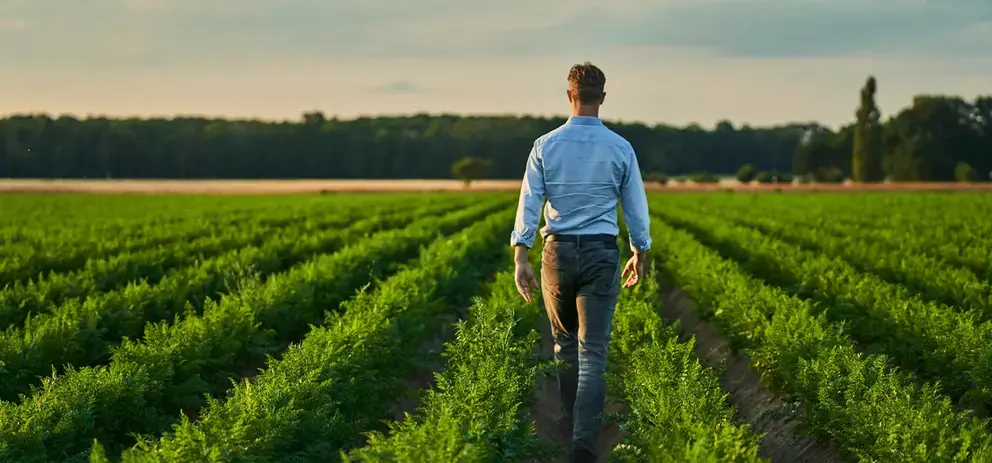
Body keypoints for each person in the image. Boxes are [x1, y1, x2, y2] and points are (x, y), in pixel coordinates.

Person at [509, 61, 651, 463]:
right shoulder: (621, 147)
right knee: (594, 352)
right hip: (601, 252)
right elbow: (636, 209)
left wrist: (522, 254)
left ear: (569, 95)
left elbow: (529, 202)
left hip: (556, 253)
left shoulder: (545, 145)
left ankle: (573, 423)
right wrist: (641, 251)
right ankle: (583, 443)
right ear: (602, 98)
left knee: (564, 345)